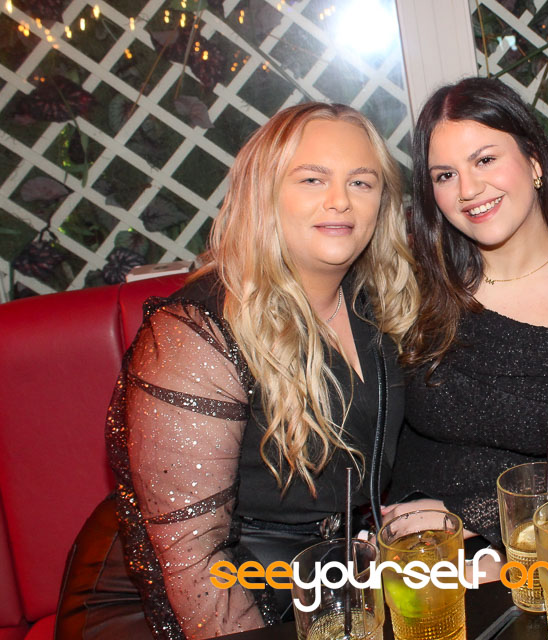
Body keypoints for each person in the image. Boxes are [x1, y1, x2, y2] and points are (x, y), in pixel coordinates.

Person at [55, 103, 418, 639]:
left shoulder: (375, 300)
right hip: (194, 597)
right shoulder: (194, 335)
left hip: (321, 578)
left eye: (361, 182)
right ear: (263, 193)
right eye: (312, 178)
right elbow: (191, 556)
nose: (340, 200)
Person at [385, 77, 548, 546]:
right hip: (408, 539)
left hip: (533, 540)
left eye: (485, 160)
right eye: (445, 175)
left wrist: (463, 515)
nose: (468, 189)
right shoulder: (420, 284)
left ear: (534, 161)